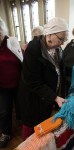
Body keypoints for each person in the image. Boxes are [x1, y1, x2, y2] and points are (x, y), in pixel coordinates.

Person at [17, 17, 68, 140]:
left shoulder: (56, 48)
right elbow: (33, 81)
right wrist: (55, 97)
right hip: (33, 100)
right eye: (61, 39)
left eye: (64, 40)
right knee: (31, 132)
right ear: (49, 34)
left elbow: (58, 69)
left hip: (46, 97)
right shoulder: (33, 49)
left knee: (42, 128)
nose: (62, 43)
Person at [0, 18, 23, 148]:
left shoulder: (12, 41)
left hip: (18, 83)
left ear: (3, 30)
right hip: (2, 87)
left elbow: (21, 60)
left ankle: (21, 121)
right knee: (4, 111)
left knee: (20, 105)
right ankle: (5, 133)